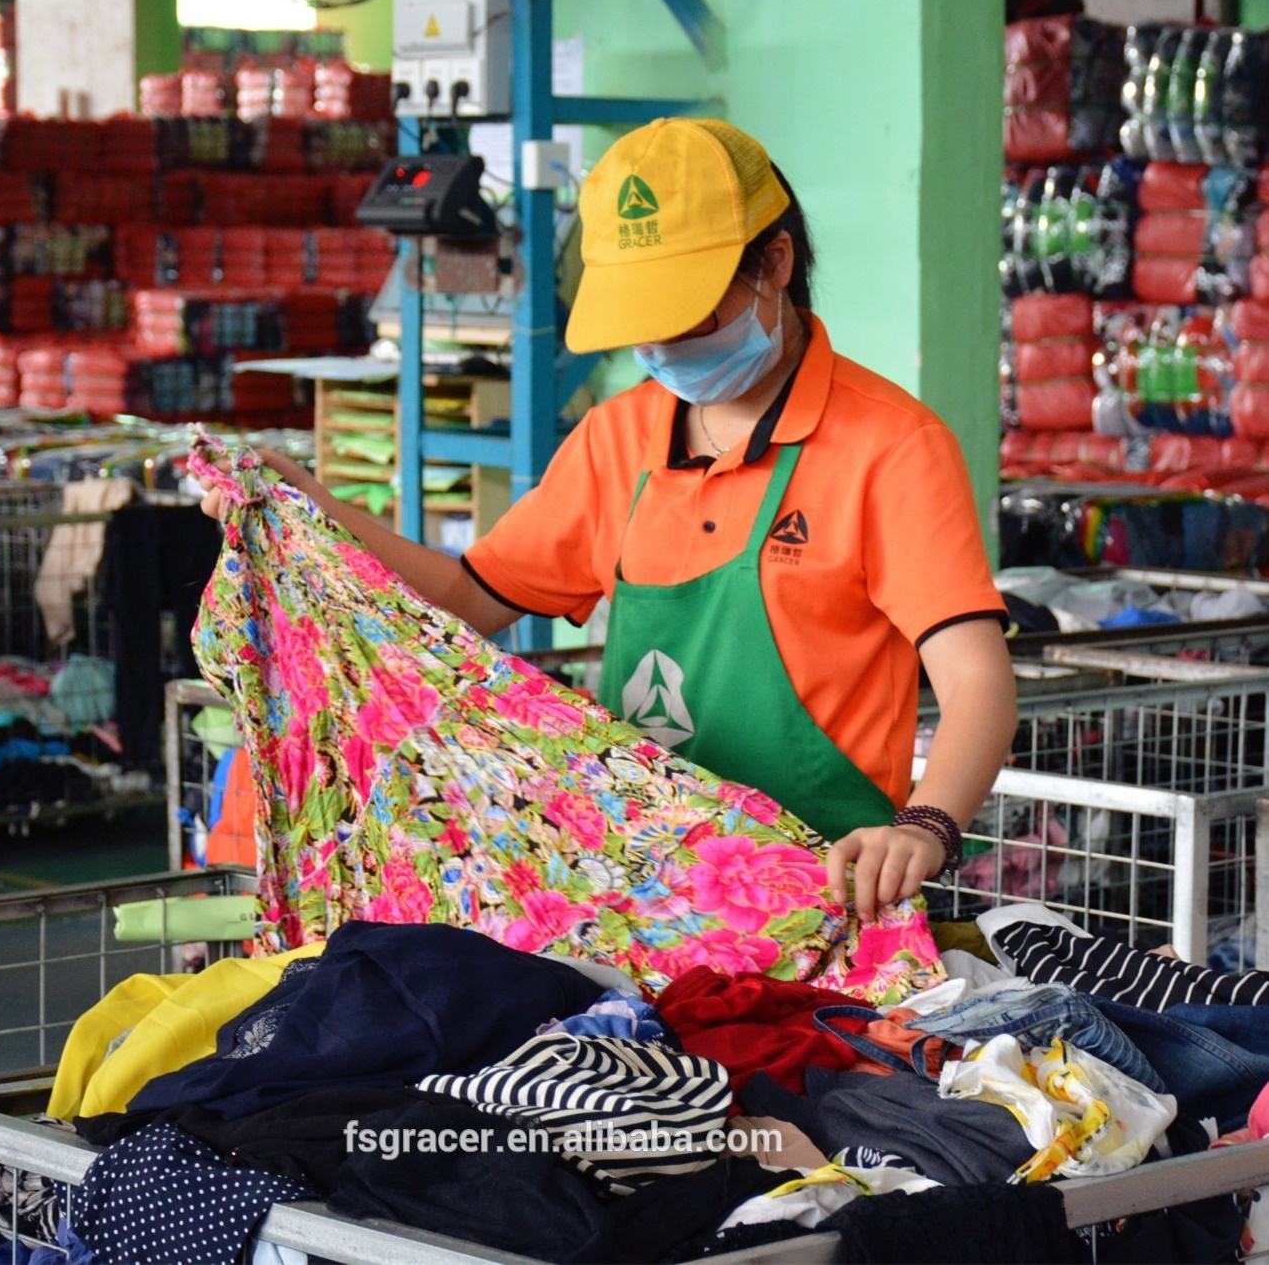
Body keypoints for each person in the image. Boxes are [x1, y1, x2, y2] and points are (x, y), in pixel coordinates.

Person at [199, 118, 1017, 923]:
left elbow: (977, 679)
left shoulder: (892, 448)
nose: (660, 344)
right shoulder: (617, 437)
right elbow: (467, 596)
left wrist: (924, 827)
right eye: (642, 321)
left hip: (823, 900)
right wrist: (313, 505)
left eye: (687, 313)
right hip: (638, 895)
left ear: (774, 263)